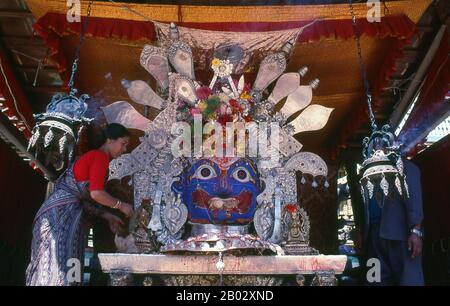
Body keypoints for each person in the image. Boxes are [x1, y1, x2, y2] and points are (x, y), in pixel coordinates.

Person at [26, 123, 133, 286]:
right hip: (60, 217)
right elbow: (96, 193)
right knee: (59, 265)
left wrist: (108, 215)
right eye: (123, 143)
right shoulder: (99, 156)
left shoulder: (97, 157)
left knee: (70, 263)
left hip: (69, 217)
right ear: (110, 140)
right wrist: (121, 205)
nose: (124, 149)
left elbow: (85, 199)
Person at [364, 159, 424, 286]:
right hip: (374, 235)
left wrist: (416, 231)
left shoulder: (407, 167)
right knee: (374, 280)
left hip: (400, 234)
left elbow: (414, 199)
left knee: (409, 280)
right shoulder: (368, 169)